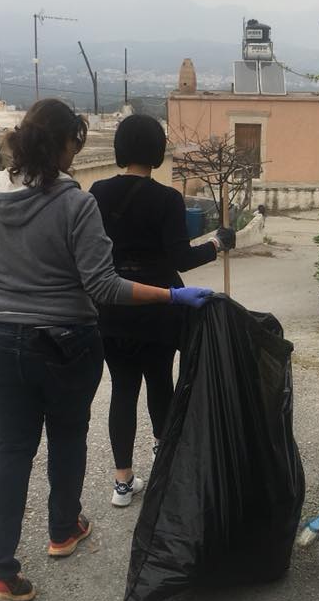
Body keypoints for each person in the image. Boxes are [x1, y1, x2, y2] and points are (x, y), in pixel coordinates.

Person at [0, 99, 212, 601]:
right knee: (66, 434)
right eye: (76, 143)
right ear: (67, 144)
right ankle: (63, 530)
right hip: (63, 341)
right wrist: (170, 295)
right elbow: (103, 285)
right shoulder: (74, 202)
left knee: (11, 447)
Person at [89, 114, 236, 506]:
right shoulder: (167, 199)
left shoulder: (97, 193)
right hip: (160, 306)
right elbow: (182, 260)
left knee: (122, 390)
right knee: (160, 383)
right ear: (156, 152)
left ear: (121, 149)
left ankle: (122, 483)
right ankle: (165, 466)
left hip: (112, 306)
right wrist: (218, 243)